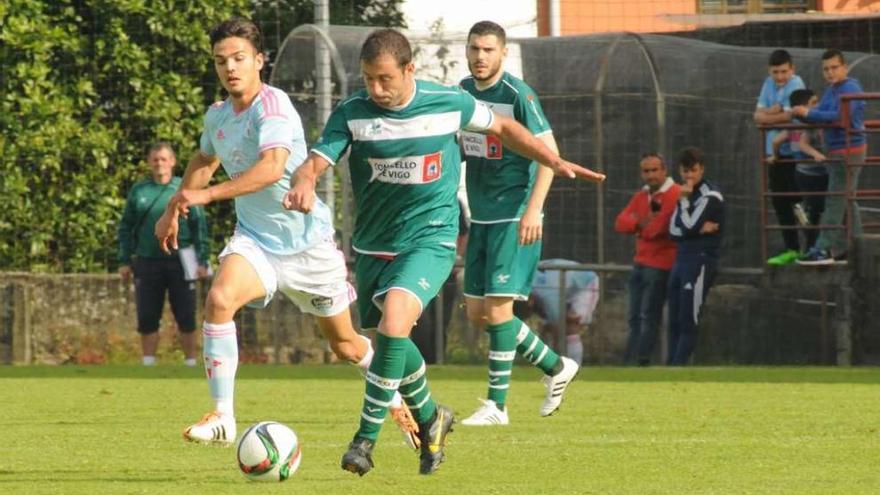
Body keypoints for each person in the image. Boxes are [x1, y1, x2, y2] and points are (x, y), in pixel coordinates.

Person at [283, 28, 604, 476]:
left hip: (429, 238)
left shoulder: (447, 102)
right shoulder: (353, 113)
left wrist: (551, 160)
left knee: (397, 324)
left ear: (409, 69)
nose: (376, 89)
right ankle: (433, 418)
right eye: (369, 79)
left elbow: (506, 128)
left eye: (385, 79)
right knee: (391, 342)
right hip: (374, 247)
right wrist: (303, 179)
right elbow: (319, 159)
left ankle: (364, 440)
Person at [153, 17, 416, 449]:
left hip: (308, 248)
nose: (230, 68)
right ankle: (223, 415)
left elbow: (272, 168)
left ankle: (400, 401)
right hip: (256, 240)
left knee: (348, 346)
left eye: (239, 58)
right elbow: (203, 160)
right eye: (221, 61)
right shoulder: (218, 115)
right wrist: (174, 205)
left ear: (259, 60)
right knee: (219, 300)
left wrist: (206, 197)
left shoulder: (272, 107)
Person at [456, 20, 581, 428]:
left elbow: (551, 155)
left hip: (515, 214)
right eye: (475, 48)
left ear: (503, 53)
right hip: (481, 216)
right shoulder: (462, 94)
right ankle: (555, 365)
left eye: (488, 50)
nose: (480, 56)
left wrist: (534, 210)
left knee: (497, 310)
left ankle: (497, 406)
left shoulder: (518, 95)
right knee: (478, 312)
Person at [118, 142, 210, 367]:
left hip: (183, 259)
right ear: (150, 162)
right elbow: (126, 227)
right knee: (147, 313)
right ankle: (148, 362)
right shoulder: (139, 191)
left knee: (186, 313)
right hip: (147, 260)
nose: (160, 163)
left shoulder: (184, 188)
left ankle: (190, 362)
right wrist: (124, 260)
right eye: (155, 159)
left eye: (164, 159)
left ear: (173, 162)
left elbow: (200, 226)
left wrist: (203, 259)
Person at [794, 49, 866, 265]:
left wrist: (807, 113)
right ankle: (856, 248)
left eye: (834, 67)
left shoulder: (851, 88)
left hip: (849, 151)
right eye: (826, 69)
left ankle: (823, 249)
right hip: (839, 151)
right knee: (846, 199)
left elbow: (839, 118)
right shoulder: (832, 90)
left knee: (836, 199)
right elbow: (821, 115)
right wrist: (800, 113)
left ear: (844, 67)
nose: (830, 72)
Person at [615, 153, 680, 366]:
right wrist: (640, 224)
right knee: (634, 316)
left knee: (649, 316)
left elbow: (658, 229)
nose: (650, 175)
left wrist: (638, 223)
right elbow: (620, 222)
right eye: (646, 171)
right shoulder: (641, 196)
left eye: (654, 170)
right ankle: (631, 359)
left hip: (661, 264)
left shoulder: (675, 194)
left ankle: (640, 360)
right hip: (640, 262)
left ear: (664, 171)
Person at [667, 147, 724, 366]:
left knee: (688, 317)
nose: (689, 176)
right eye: (685, 171)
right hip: (681, 259)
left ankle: (678, 367)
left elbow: (688, 224)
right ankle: (669, 364)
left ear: (702, 169)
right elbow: (673, 230)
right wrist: (696, 228)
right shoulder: (686, 193)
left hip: (700, 260)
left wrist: (683, 203)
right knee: (673, 317)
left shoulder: (711, 195)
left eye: (693, 170)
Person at [753, 49, 805, 266]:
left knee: (799, 201)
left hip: (793, 150)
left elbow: (791, 115)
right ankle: (792, 248)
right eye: (776, 72)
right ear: (769, 71)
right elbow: (756, 117)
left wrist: (770, 114)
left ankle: (815, 246)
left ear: (792, 69)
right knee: (780, 201)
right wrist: (774, 114)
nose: (780, 76)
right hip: (773, 155)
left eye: (784, 71)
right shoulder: (768, 83)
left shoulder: (797, 84)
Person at [770, 89, 828, 251]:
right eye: (814, 102)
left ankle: (812, 245)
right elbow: (801, 144)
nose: (819, 105)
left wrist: (775, 156)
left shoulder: (793, 124)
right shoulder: (809, 122)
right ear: (803, 107)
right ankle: (814, 246)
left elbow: (776, 141)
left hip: (800, 171)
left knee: (807, 211)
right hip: (813, 171)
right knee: (816, 210)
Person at [515, 259, 600, 366]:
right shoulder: (524, 284)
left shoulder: (547, 295)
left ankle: (573, 367)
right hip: (562, 282)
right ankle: (548, 363)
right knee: (549, 326)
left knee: (571, 326)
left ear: (529, 303)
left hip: (584, 284)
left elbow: (557, 326)